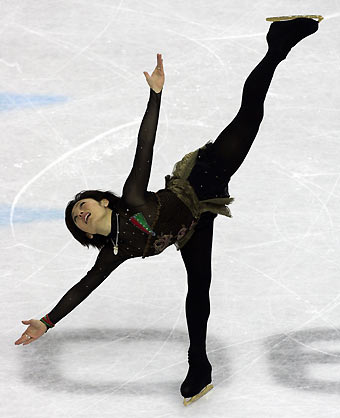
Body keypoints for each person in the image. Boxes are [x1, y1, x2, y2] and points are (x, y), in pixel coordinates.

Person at [15, 15, 322, 406]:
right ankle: (200, 365)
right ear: (88, 236)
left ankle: (277, 44)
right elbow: (83, 287)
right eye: (76, 219)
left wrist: (156, 94)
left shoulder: (133, 197)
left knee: (250, 115)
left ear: (103, 200)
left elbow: (146, 145)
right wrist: (47, 321)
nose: (80, 213)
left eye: (81, 205)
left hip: (202, 178)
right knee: (199, 287)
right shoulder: (115, 252)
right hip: (193, 226)